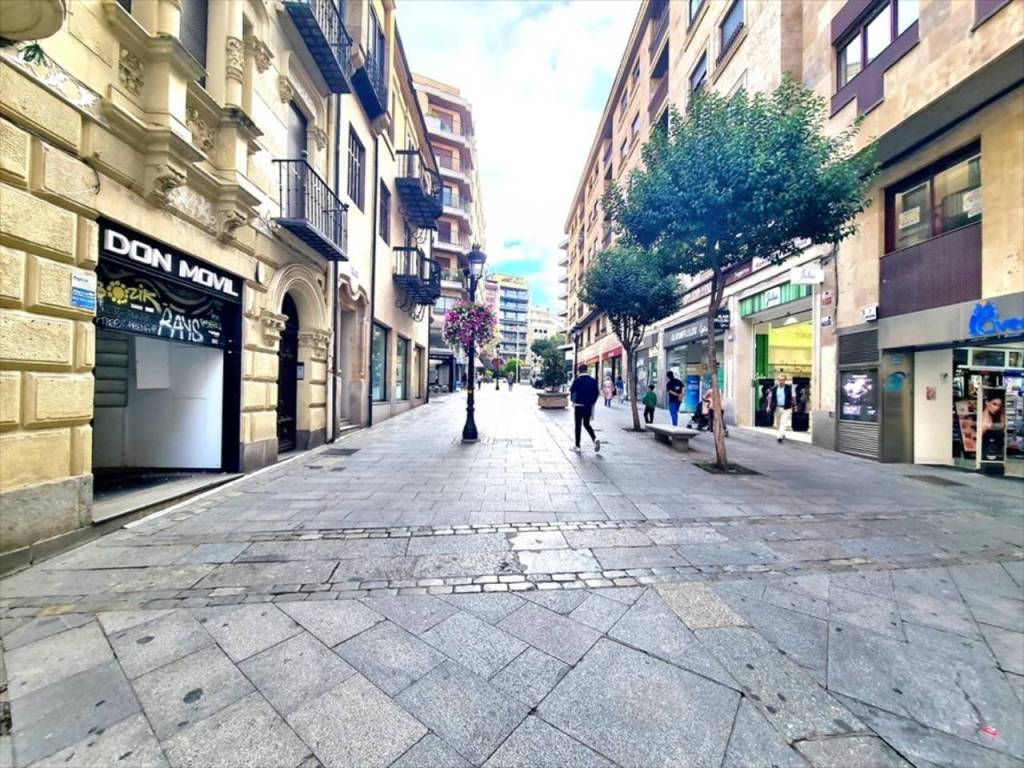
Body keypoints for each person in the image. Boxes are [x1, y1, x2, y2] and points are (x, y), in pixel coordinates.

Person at [570, 364, 600, 453]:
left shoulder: (577, 380)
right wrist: (592, 402)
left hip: (578, 406)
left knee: (578, 426)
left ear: (579, 371)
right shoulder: (593, 381)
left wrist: (574, 400)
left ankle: (577, 445)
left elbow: (572, 390)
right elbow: (596, 393)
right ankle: (594, 439)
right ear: (587, 370)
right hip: (588, 406)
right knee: (587, 424)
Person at [770, 373, 793, 442]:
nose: (781, 381)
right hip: (777, 407)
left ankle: (779, 436)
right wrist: (768, 406)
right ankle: (782, 433)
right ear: (778, 380)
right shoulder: (774, 388)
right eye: (779, 380)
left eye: (782, 380)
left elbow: (793, 396)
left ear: (785, 380)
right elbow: (770, 397)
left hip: (786, 408)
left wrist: (794, 405)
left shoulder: (789, 388)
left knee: (783, 422)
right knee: (778, 423)